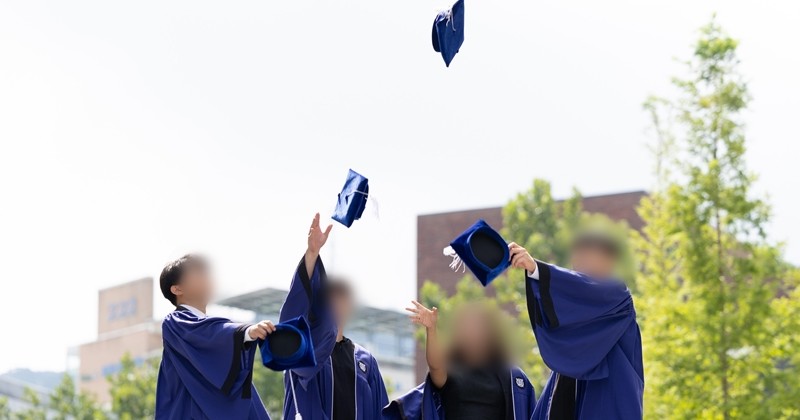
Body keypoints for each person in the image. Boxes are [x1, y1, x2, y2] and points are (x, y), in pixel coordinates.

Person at [509, 231, 644, 420]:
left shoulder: (617, 299)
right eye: (576, 255)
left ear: (608, 260)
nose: (577, 261)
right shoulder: (578, 318)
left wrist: (535, 269)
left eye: (586, 255)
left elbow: (585, 290)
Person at [280, 213, 389, 420]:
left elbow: (381, 412)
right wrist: (312, 254)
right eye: (332, 297)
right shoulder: (308, 350)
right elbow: (290, 322)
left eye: (343, 298)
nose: (338, 304)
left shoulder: (365, 360)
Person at [155, 254, 274, 420]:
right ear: (177, 289)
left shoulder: (217, 336)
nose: (206, 278)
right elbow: (207, 333)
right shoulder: (174, 323)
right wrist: (246, 332)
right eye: (197, 274)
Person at [384, 301, 536, 420]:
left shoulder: (511, 376)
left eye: (478, 327)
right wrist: (431, 329)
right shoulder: (450, 368)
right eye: (467, 327)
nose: (473, 332)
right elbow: (435, 366)